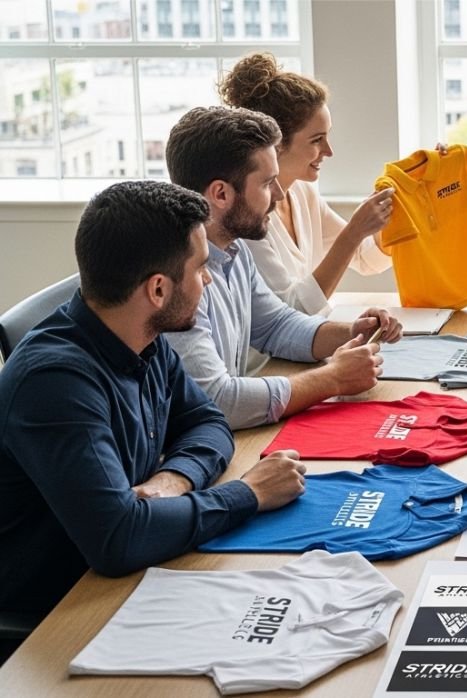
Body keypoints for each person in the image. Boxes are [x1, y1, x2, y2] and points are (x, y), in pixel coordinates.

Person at [0, 181, 307, 648]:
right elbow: (118, 538)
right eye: (201, 268)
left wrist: (176, 479)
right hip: (60, 610)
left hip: (132, 573)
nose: (207, 280)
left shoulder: (141, 334)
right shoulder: (55, 384)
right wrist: (249, 494)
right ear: (159, 289)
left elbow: (207, 423)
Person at [164, 106, 403, 431]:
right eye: (267, 184)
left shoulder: (234, 248)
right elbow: (217, 399)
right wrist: (332, 379)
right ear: (220, 193)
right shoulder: (176, 276)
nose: (278, 195)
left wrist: (353, 331)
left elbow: (275, 325)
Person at [219, 52, 393, 315]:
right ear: (276, 145)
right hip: (273, 356)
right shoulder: (246, 216)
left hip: (310, 345)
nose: (329, 151)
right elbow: (293, 310)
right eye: (316, 140)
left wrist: (408, 192)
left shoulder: (303, 193)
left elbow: (367, 259)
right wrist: (355, 230)